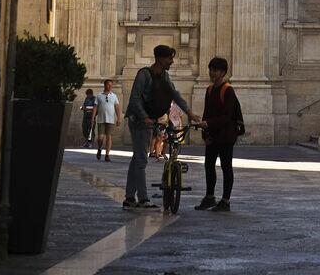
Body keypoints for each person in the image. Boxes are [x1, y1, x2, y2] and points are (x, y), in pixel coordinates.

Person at [123, 45, 192, 210]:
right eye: (170, 58)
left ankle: (129, 197)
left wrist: (189, 112)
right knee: (141, 160)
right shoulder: (144, 74)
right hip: (138, 120)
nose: (172, 61)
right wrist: (145, 117)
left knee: (137, 159)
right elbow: (135, 98)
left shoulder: (164, 76)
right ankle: (143, 199)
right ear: (160, 59)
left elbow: (175, 95)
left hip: (149, 119)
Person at [195, 57, 244, 213]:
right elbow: (207, 112)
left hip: (226, 136)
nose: (212, 73)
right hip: (213, 135)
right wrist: (205, 132)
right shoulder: (209, 90)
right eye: (211, 69)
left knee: (226, 167)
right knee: (209, 165)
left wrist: (208, 124)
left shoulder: (227, 90)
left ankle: (225, 200)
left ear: (223, 72)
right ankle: (210, 197)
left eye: (215, 70)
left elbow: (227, 115)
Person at [95, 79, 121, 163]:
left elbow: (117, 107)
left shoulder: (114, 96)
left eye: (111, 85)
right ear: (105, 85)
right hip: (101, 119)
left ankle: (107, 155)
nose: (110, 87)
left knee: (109, 137)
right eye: (108, 85)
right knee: (100, 138)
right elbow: (95, 107)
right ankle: (99, 148)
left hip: (110, 120)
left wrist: (119, 118)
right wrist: (92, 118)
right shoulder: (99, 95)